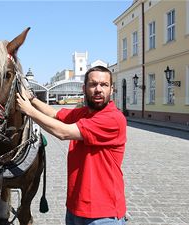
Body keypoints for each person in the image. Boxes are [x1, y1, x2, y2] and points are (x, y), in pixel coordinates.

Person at [16, 66, 127, 225]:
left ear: (111, 89)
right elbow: (55, 114)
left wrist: (29, 111)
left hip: (103, 215)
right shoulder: (84, 113)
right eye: (93, 84)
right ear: (84, 88)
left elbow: (63, 132)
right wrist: (32, 99)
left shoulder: (113, 118)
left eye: (104, 85)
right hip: (75, 208)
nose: (98, 89)